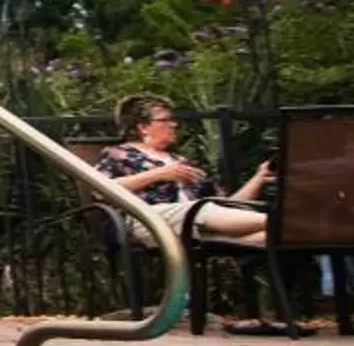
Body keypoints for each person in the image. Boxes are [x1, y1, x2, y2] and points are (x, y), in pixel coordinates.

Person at [93, 93, 273, 246]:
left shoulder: (182, 161)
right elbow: (100, 189)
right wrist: (159, 174)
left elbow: (227, 206)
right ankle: (286, 222)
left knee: (269, 238)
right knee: (197, 210)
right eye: (165, 120)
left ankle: (287, 227)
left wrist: (259, 177)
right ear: (143, 127)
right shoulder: (118, 154)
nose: (174, 125)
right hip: (147, 220)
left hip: (194, 224)